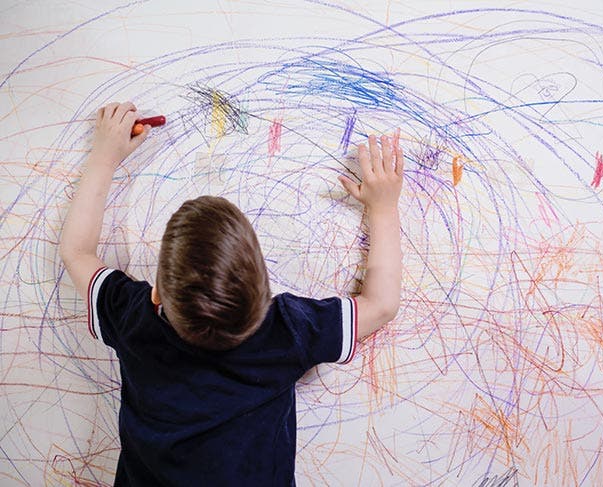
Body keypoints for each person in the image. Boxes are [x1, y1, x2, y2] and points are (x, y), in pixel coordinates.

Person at [59, 102, 404, 485]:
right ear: (264, 294)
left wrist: (105, 156)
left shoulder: (134, 320)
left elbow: (76, 251)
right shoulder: (285, 331)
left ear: (157, 294)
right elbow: (382, 304)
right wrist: (384, 208)